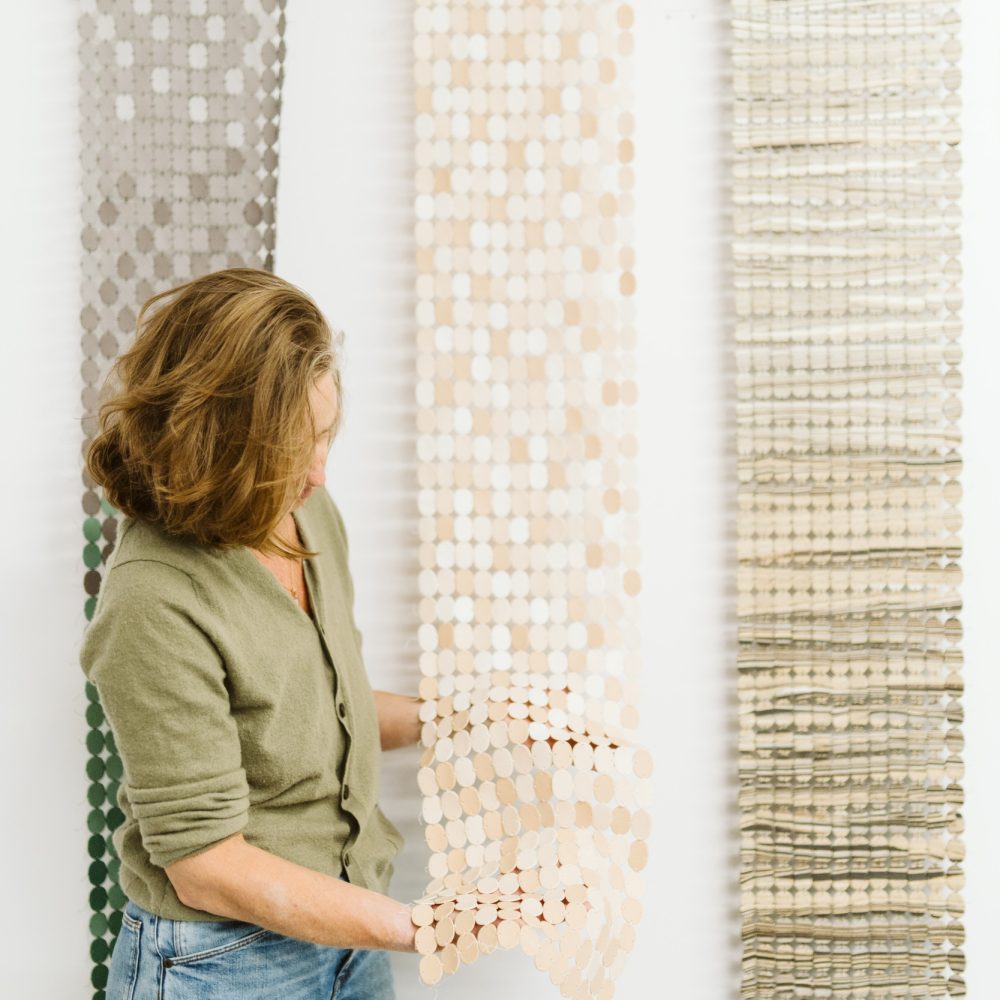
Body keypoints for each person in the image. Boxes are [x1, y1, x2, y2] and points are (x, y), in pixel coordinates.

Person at [79, 268, 420, 999]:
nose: (317, 473)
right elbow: (207, 867)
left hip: (348, 935)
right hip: (218, 963)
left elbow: (327, 712)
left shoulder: (308, 515)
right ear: (213, 443)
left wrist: (475, 719)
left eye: (325, 436)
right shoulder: (154, 598)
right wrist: (424, 928)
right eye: (290, 450)